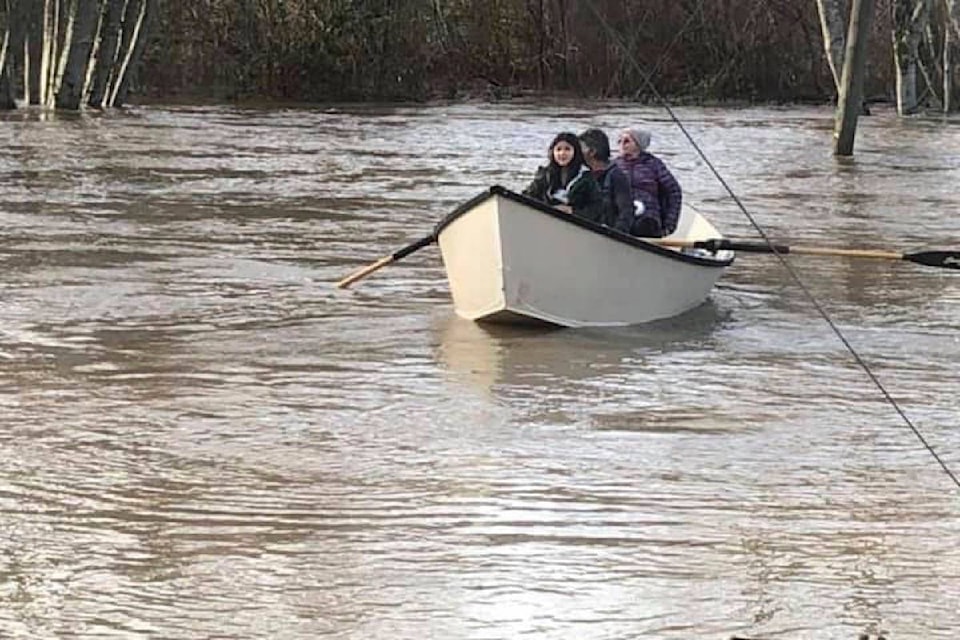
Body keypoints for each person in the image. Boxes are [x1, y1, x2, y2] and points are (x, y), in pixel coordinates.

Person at [614, 126, 683, 237]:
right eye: (619, 141)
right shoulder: (614, 165)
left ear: (638, 144)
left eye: (626, 141)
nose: (622, 144)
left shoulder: (654, 165)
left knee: (646, 225)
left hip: (648, 217)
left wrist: (669, 225)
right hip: (621, 216)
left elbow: (674, 192)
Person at [522, 132, 602, 223]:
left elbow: (597, 207)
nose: (562, 153)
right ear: (553, 152)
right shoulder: (545, 174)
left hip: (575, 224)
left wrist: (573, 211)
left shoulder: (586, 177)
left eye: (567, 149)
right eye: (558, 149)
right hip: (546, 221)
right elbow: (529, 195)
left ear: (575, 152)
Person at [578, 127, 633, 233]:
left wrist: (616, 235)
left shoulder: (616, 176)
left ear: (592, 152)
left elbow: (626, 212)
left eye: (580, 148)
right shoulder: (582, 175)